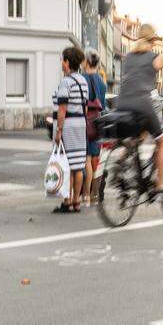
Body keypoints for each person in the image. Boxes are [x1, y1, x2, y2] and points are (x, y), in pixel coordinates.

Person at [114, 23, 163, 194]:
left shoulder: (127, 57)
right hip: (142, 102)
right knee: (162, 141)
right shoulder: (159, 58)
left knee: (139, 136)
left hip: (121, 102)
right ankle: (161, 184)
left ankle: (121, 163)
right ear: (154, 39)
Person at [52, 46, 89, 213]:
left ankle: (67, 201)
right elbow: (86, 107)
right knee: (78, 165)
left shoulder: (65, 82)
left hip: (68, 125)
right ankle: (76, 202)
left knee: (66, 164)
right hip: (81, 123)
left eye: (62, 60)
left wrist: (59, 130)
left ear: (67, 63)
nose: (61, 63)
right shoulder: (83, 81)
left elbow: (62, 108)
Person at [81, 49, 107, 206]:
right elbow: (102, 106)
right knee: (95, 161)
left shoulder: (82, 79)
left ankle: (85, 195)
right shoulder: (102, 83)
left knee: (86, 159)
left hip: (84, 123)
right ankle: (93, 194)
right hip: (97, 123)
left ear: (85, 62)